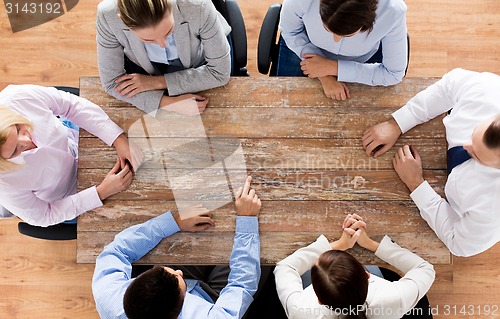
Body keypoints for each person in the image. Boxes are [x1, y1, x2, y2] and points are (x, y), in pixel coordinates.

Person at [362, 68, 500, 257]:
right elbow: (448, 88)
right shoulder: (488, 89)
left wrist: (416, 184)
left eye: (477, 155)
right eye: (474, 134)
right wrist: (399, 123)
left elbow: (458, 243)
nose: (466, 146)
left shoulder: (493, 210)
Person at [92, 176, 262, 319]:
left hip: (179, 293)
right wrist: (247, 220)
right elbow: (241, 286)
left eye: (165, 270)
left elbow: (117, 250)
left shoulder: (109, 297)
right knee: (260, 256)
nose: (179, 272)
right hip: (212, 302)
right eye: (179, 278)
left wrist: (174, 221)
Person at [0, 85, 142, 227]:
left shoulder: (17, 97)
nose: (27, 140)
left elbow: (71, 106)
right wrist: (100, 193)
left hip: (76, 140)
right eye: (15, 151)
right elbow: (44, 216)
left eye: (18, 128)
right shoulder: (4, 184)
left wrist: (117, 138)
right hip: (71, 197)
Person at [274, 214, 435, 319]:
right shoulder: (394, 298)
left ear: (319, 300)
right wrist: (369, 244)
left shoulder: (300, 310)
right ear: (366, 275)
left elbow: (285, 267)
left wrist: (337, 244)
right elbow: (425, 269)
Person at [96, 0, 232, 114]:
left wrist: (157, 82)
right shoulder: (107, 15)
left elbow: (219, 73)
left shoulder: (197, 5)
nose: (162, 44)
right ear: (122, 20)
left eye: (168, 31)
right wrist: (168, 103)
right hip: (144, 67)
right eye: (148, 40)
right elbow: (112, 82)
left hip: (198, 60)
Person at [278, 0, 408, 100]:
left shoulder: (393, 11)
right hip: (303, 45)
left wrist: (333, 67)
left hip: (362, 58)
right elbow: (290, 31)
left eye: (348, 35)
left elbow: (393, 74)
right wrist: (325, 76)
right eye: (327, 29)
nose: (335, 39)